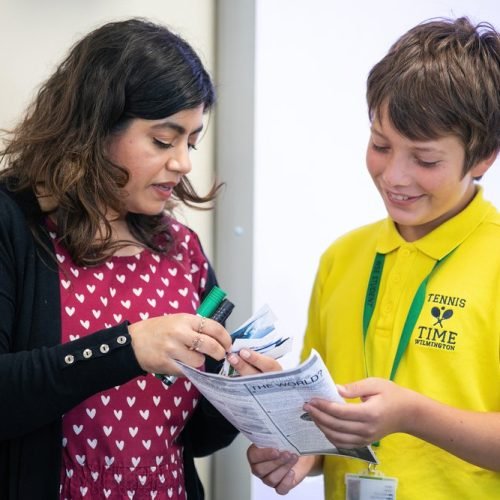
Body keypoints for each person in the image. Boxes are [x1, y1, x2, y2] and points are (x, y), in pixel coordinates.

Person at [0, 18, 278, 500]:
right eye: (163, 140)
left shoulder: (181, 250)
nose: (184, 163)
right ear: (95, 126)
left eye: (191, 141)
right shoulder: (14, 224)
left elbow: (195, 438)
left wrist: (240, 395)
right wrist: (126, 347)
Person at [247, 16, 500, 499]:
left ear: (483, 156)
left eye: (424, 160)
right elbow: (329, 416)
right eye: (380, 145)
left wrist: (413, 415)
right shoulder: (343, 258)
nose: (394, 176)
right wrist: (300, 452)